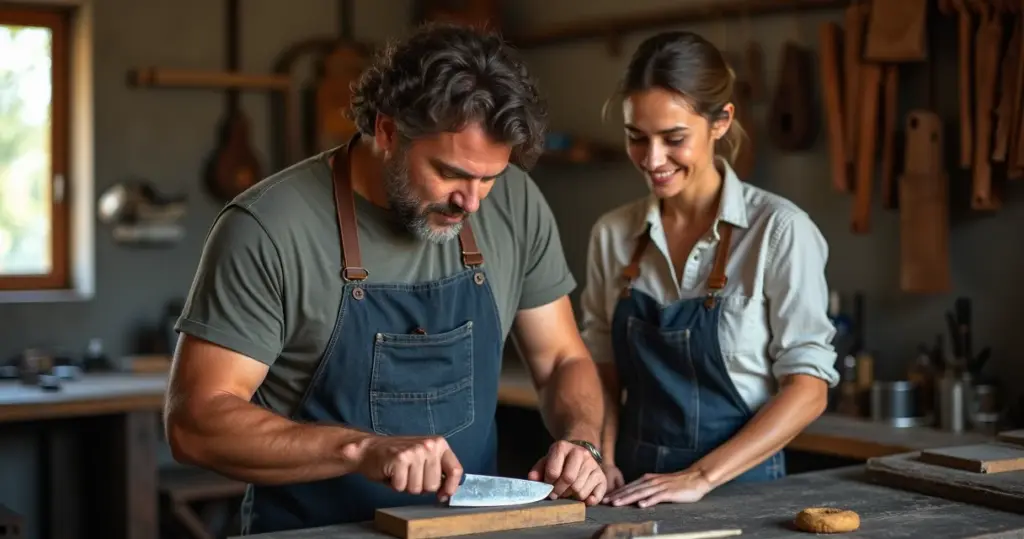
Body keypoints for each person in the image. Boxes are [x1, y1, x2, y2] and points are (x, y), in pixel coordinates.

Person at [164, 23, 607, 535]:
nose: (471, 201)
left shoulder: (516, 203)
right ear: (388, 131)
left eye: (489, 177)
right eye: (450, 172)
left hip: (466, 531)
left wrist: (582, 440)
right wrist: (361, 450)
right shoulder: (268, 228)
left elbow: (562, 359)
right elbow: (196, 422)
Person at [578, 30, 840, 509]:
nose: (652, 160)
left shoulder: (779, 231)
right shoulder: (612, 234)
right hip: (631, 485)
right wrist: (602, 458)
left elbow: (808, 389)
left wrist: (700, 477)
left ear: (721, 122)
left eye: (674, 139)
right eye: (637, 138)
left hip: (743, 487)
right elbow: (602, 371)